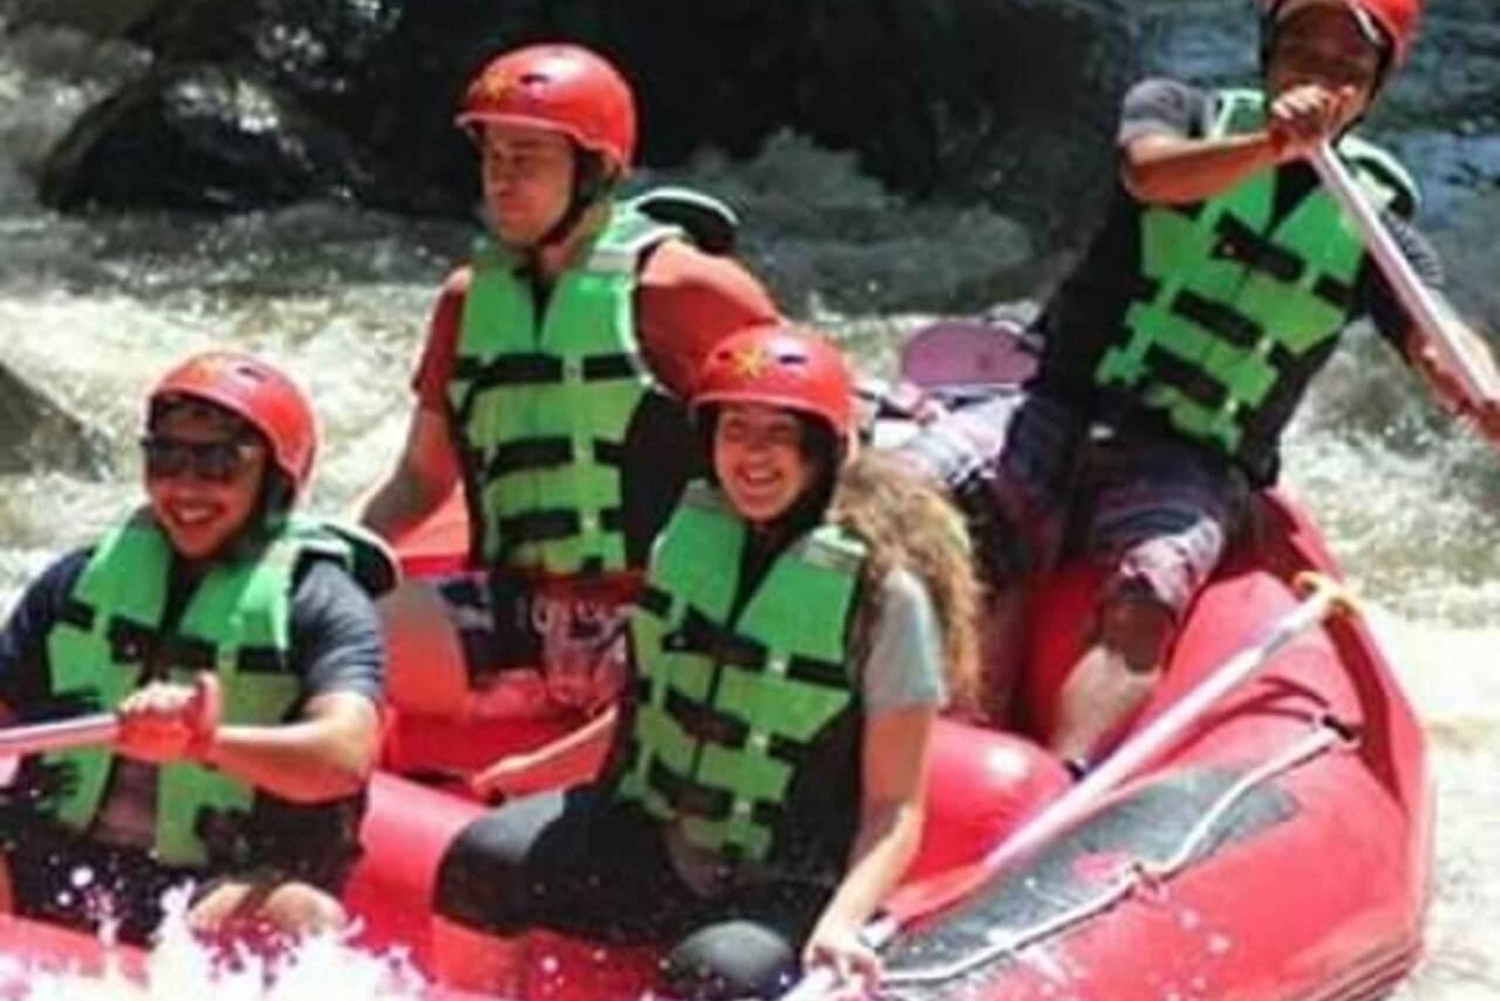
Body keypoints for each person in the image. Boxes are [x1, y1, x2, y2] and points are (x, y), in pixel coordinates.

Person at [894, 0, 1500, 771]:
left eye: (1347, 62)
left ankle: (1056, 786)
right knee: (895, 496)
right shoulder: (1176, 111)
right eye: (1302, 47)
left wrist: (1478, 386)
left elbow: (1434, 331)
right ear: (1269, 53)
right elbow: (1148, 173)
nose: (1320, 72)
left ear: (1373, 87)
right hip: (1055, 404)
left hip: (1191, 459)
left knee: (1149, 591)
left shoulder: (1377, 230)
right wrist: (1271, 145)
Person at [428, 324, 981, 1000]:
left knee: (712, 974)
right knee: (481, 861)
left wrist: (841, 923)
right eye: (734, 430)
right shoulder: (686, 542)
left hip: (787, 876)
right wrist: (538, 770)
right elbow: (656, 705)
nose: (753, 454)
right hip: (655, 843)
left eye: (779, 434)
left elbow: (895, 807)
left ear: (825, 448)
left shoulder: (886, 599)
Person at [357, 43, 780, 794]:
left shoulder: (687, 288)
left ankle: (559, 772)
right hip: (517, 612)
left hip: (660, 617)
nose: (503, 178)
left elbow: (810, 439)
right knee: (324, 631)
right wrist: (332, 565)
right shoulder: (466, 300)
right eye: (493, 156)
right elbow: (421, 480)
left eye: (528, 157)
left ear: (595, 169)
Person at [0, 351, 395, 944]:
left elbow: (344, 757)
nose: (186, 486)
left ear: (274, 480)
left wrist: (205, 743)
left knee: (302, 917)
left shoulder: (320, 601)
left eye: (219, 462)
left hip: (213, 884)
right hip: (53, 857)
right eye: (165, 457)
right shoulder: (78, 580)